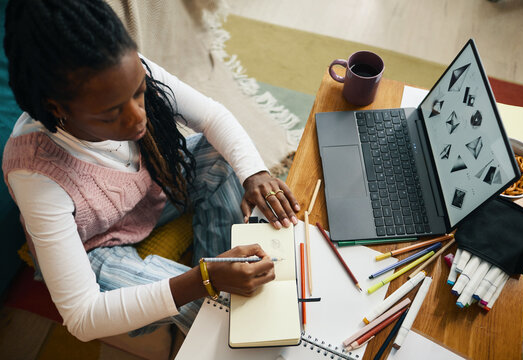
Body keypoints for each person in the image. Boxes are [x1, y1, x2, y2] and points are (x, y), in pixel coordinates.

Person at [2, 0, 300, 341]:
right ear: (57, 108)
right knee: (223, 314)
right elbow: (83, 316)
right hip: (96, 246)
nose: (138, 117)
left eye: (139, 94)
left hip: (153, 189)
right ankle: (220, 293)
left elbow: (213, 117)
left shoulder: (123, 74)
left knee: (224, 157)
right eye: (111, 113)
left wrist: (255, 174)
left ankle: (225, 268)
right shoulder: (36, 172)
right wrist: (204, 280)